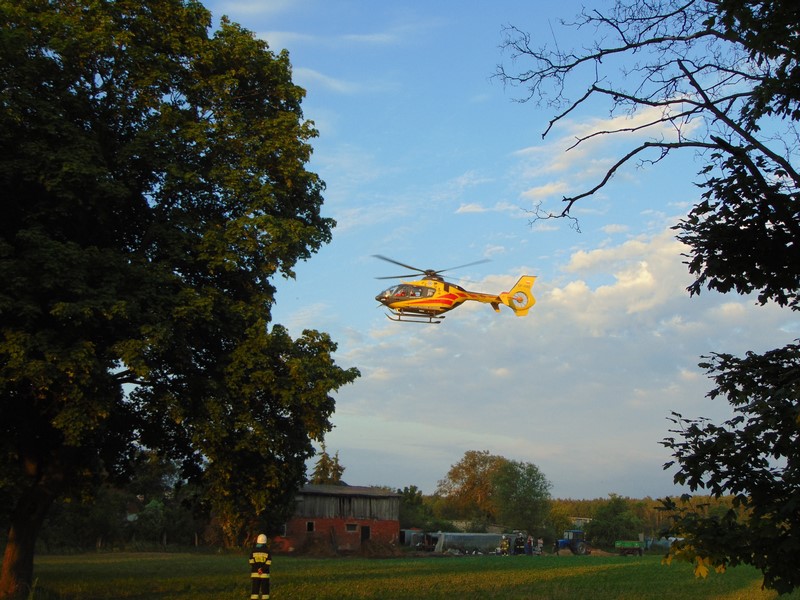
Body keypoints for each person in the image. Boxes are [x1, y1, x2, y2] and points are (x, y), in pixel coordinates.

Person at [249, 533, 271, 600]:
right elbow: (268, 562)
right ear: (265, 542)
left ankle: (254, 598)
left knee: (255, 588)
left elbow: (251, 561)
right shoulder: (267, 551)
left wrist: (257, 569)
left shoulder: (253, 551)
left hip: (255, 573)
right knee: (265, 587)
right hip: (264, 574)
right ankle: (265, 598)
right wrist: (262, 569)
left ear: (257, 541)